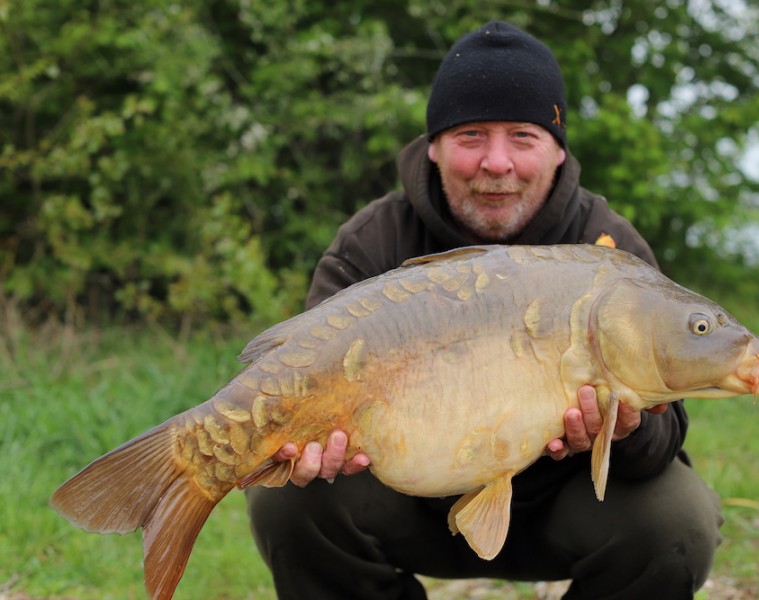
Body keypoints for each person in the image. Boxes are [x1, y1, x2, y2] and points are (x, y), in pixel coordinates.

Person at [246, 20, 723, 599]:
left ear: (557, 149)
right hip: (404, 497)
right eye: (471, 135)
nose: (496, 162)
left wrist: (627, 428)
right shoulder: (374, 242)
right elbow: (302, 384)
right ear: (433, 145)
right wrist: (312, 443)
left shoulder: (606, 251)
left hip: (565, 507)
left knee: (678, 518)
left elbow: (664, 440)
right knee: (282, 498)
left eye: (522, 136)